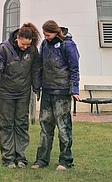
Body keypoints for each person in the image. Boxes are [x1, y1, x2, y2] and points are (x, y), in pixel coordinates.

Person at [31, 20, 81, 171]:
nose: (46, 37)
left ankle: (65, 160)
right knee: (45, 126)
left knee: (63, 127)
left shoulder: (68, 45)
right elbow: (40, 65)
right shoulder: (45, 45)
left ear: (56, 32)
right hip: (47, 91)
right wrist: (37, 85)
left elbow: (74, 68)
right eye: (45, 34)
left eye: (48, 34)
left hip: (62, 91)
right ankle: (41, 159)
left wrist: (75, 89)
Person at [0, 23, 41, 169]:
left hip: (23, 92)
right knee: (6, 125)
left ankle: (20, 157)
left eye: (28, 45)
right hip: (5, 92)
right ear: (17, 37)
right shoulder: (4, 48)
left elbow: (35, 69)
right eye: (23, 44)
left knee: (21, 124)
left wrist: (36, 87)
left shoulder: (32, 50)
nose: (25, 47)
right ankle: (8, 158)